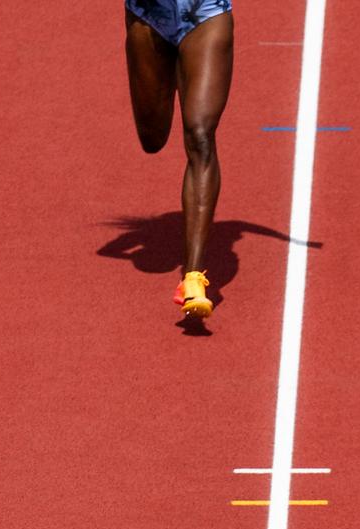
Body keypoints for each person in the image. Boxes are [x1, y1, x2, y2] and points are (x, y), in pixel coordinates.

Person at [124, 0, 234, 319]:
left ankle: (193, 278)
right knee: (153, 138)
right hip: (149, 16)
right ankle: (175, 66)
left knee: (200, 137)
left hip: (206, 14)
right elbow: (110, 250)